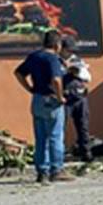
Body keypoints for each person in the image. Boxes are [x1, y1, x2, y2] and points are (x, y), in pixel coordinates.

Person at [13, 30, 72, 183]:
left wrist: (29, 88)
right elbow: (56, 80)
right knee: (55, 136)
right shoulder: (53, 59)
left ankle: (41, 171)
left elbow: (18, 73)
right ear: (57, 44)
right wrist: (60, 96)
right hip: (51, 100)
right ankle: (56, 169)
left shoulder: (34, 56)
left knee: (40, 138)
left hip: (37, 99)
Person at [60, 36, 93, 161]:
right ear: (62, 49)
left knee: (83, 126)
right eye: (68, 50)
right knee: (61, 127)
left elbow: (88, 78)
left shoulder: (77, 60)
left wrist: (76, 72)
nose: (70, 53)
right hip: (65, 98)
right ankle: (59, 154)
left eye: (72, 50)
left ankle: (85, 151)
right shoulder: (56, 60)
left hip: (79, 98)